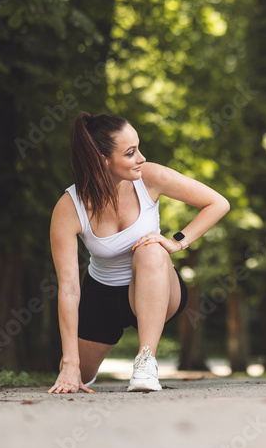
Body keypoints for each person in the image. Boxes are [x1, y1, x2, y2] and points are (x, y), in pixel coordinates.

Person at [48, 112, 229, 394]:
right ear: (102, 160)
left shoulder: (150, 176)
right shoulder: (69, 207)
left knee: (151, 249)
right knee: (78, 376)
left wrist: (177, 241)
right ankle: (77, 367)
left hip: (157, 286)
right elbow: (70, 288)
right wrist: (69, 362)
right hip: (103, 294)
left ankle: (146, 363)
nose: (142, 158)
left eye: (139, 148)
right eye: (131, 153)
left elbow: (217, 203)